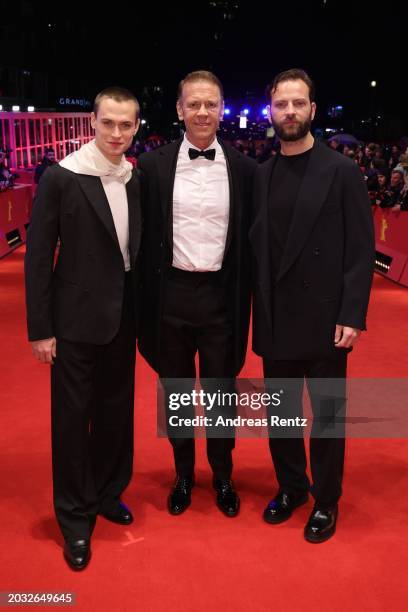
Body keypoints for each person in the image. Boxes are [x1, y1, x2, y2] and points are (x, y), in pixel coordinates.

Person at [250, 69, 374, 543]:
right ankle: (292, 488)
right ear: (272, 111)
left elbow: (361, 251)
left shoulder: (341, 171)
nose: (290, 112)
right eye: (282, 104)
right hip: (277, 316)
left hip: (326, 319)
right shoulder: (261, 175)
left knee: (326, 418)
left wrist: (352, 313)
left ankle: (326, 500)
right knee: (280, 415)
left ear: (312, 111)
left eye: (298, 103)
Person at [25, 87, 142, 570]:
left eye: (126, 125)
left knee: (116, 417)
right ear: (93, 121)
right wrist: (40, 329)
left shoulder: (137, 177)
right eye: (108, 123)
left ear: (136, 126)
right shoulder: (62, 177)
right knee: (72, 425)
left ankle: (107, 494)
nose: (117, 133)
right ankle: (74, 518)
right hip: (73, 325)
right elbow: (37, 256)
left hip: (122, 322)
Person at [137, 70, 255, 518]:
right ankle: (183, 475)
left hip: (222, 298)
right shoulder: (150, 167)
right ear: (180, 109)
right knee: (179, 395)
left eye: (211, 104)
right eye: (194, 104)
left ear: (221, 110)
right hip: (171, 296)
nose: (203, 112)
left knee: (222, 396)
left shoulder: (245, 169)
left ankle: (223, 476)